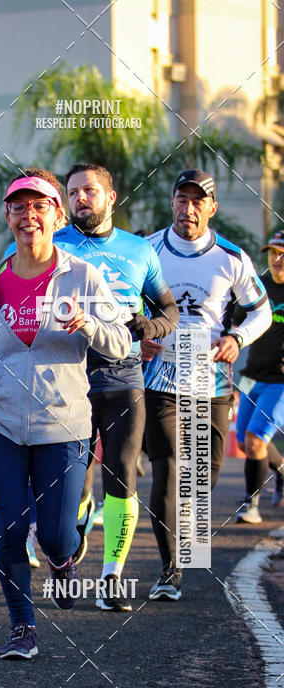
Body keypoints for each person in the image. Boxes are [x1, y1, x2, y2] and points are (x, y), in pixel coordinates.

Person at [0, 169, 131, 659]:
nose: (29, 216)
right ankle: (23, 628)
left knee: (58, 536)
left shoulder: (83, 277)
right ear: (8, 216)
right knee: (10, 531)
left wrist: (88, 324)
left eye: (40, 206)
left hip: (62, 424)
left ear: (57, 215)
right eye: (19, 207)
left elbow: (123, 342)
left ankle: (62, 561)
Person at [7, 164, 179, 611]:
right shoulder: (48, 243)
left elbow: (168, 308)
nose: (80, 198)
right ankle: (73, 533)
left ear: (111, 196)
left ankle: (111, 579)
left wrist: (151, 327)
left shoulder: (139, 250)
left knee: (121, 475)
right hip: (67, 378)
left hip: (123, 375)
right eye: (73, 192)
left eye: (89, 191)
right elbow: (9, 296)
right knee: (73, 484)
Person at [142, 169, 271, 599]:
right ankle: (170, 569)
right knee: (167, 467)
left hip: (209, 376)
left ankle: (187, 532)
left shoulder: (231, 257)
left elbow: (262, 312)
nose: (189, 208)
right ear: (172, 203)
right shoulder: (148, 250)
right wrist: (137, 336)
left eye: (198, 201)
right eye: (182, 199)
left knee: (201, 477)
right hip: (159, 374)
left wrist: (237, 339)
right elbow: (120, 301)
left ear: (212, 208)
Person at [234, 231, 284, 522]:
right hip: (252, 376)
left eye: (282, 254)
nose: (277, 259)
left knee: (255, 440)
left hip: (280, 383)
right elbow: (236, 322)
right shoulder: (259, 287)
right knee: (245, 443)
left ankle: (250, 505)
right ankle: (281, 470)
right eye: (273, 252)